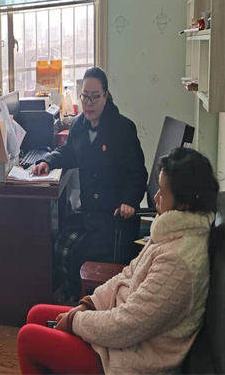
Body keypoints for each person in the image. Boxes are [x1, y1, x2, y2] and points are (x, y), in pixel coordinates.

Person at [18, 147, 220, 374]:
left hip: (129, 358)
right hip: (118, 335)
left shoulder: (179, 262)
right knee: (36, 314)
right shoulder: (173, 231)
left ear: (184, 204)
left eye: (162, 193)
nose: (155, 198)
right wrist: (89, 304)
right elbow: (129, 272)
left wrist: (76, 321)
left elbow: (128, 325)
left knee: (28, 339)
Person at [32, 67, 148, 301]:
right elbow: (68, 151)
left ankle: (83, 304)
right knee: (61, 245)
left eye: (95, 97)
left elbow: (138, 173)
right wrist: (47, 160)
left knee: (72, 253)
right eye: (85, 96)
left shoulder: (123, 129)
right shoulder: (79, 125)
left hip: (115, 219)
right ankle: (71, 302)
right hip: (90, 213)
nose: (89, 103)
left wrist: (129, 201)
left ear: (106, 96)